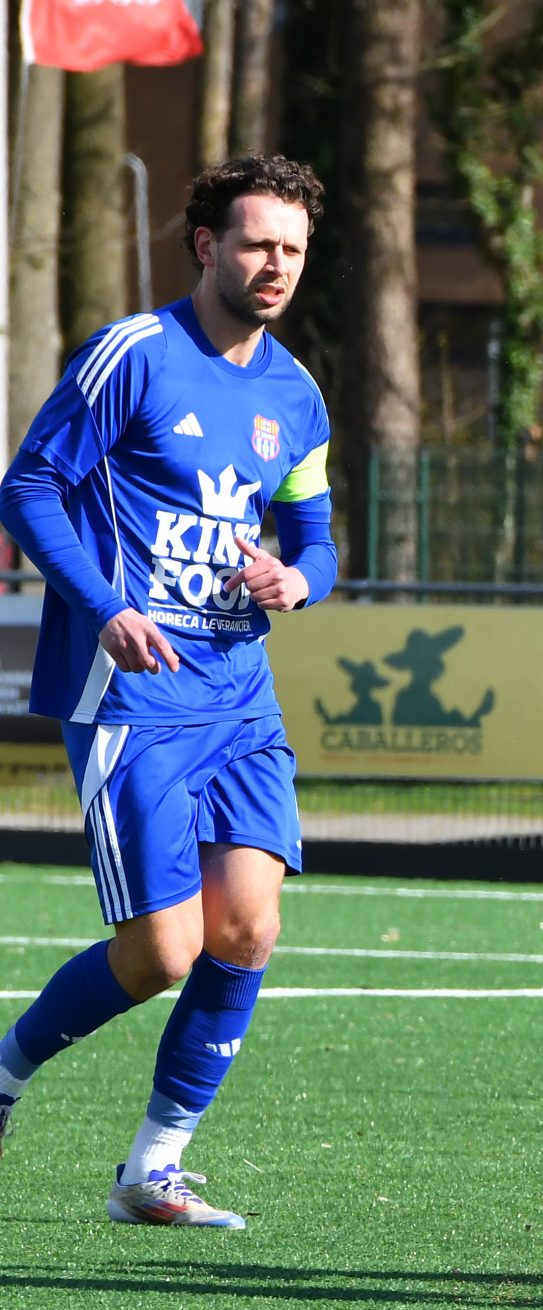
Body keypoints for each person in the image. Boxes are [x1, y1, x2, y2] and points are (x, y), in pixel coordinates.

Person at [0, 156, 337, 1227]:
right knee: (162, 951)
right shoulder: (133, 355)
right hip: (131, 694)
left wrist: (297, 579)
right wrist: (105, 605)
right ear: (206, 246)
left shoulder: (297, 395)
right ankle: (4, 1072)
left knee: (248, 928)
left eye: (292, 248)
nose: (276, 264)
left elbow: (319, 540)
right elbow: (28, 486)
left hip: (241, 697)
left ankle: (154, 1168)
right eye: (257, 243)